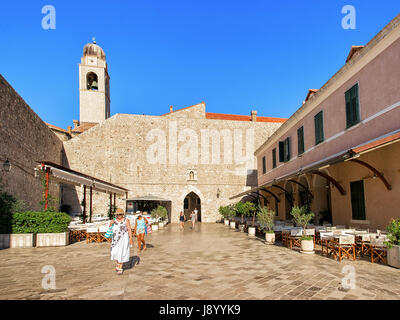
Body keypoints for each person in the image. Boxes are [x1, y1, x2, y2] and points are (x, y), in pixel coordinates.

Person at [109, 208, 133, 275]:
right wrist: (110, 224)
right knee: (114, 252)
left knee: (122, 252)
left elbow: (129, 229)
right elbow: (110, 228)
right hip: (115, 239)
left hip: (123, 239)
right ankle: (118, 263)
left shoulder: (126, 220)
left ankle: (120, 266)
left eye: (120, 214)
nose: (118, 216)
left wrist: (130, 238)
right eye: (117, 214)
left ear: (123, 214)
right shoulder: (114, 220)